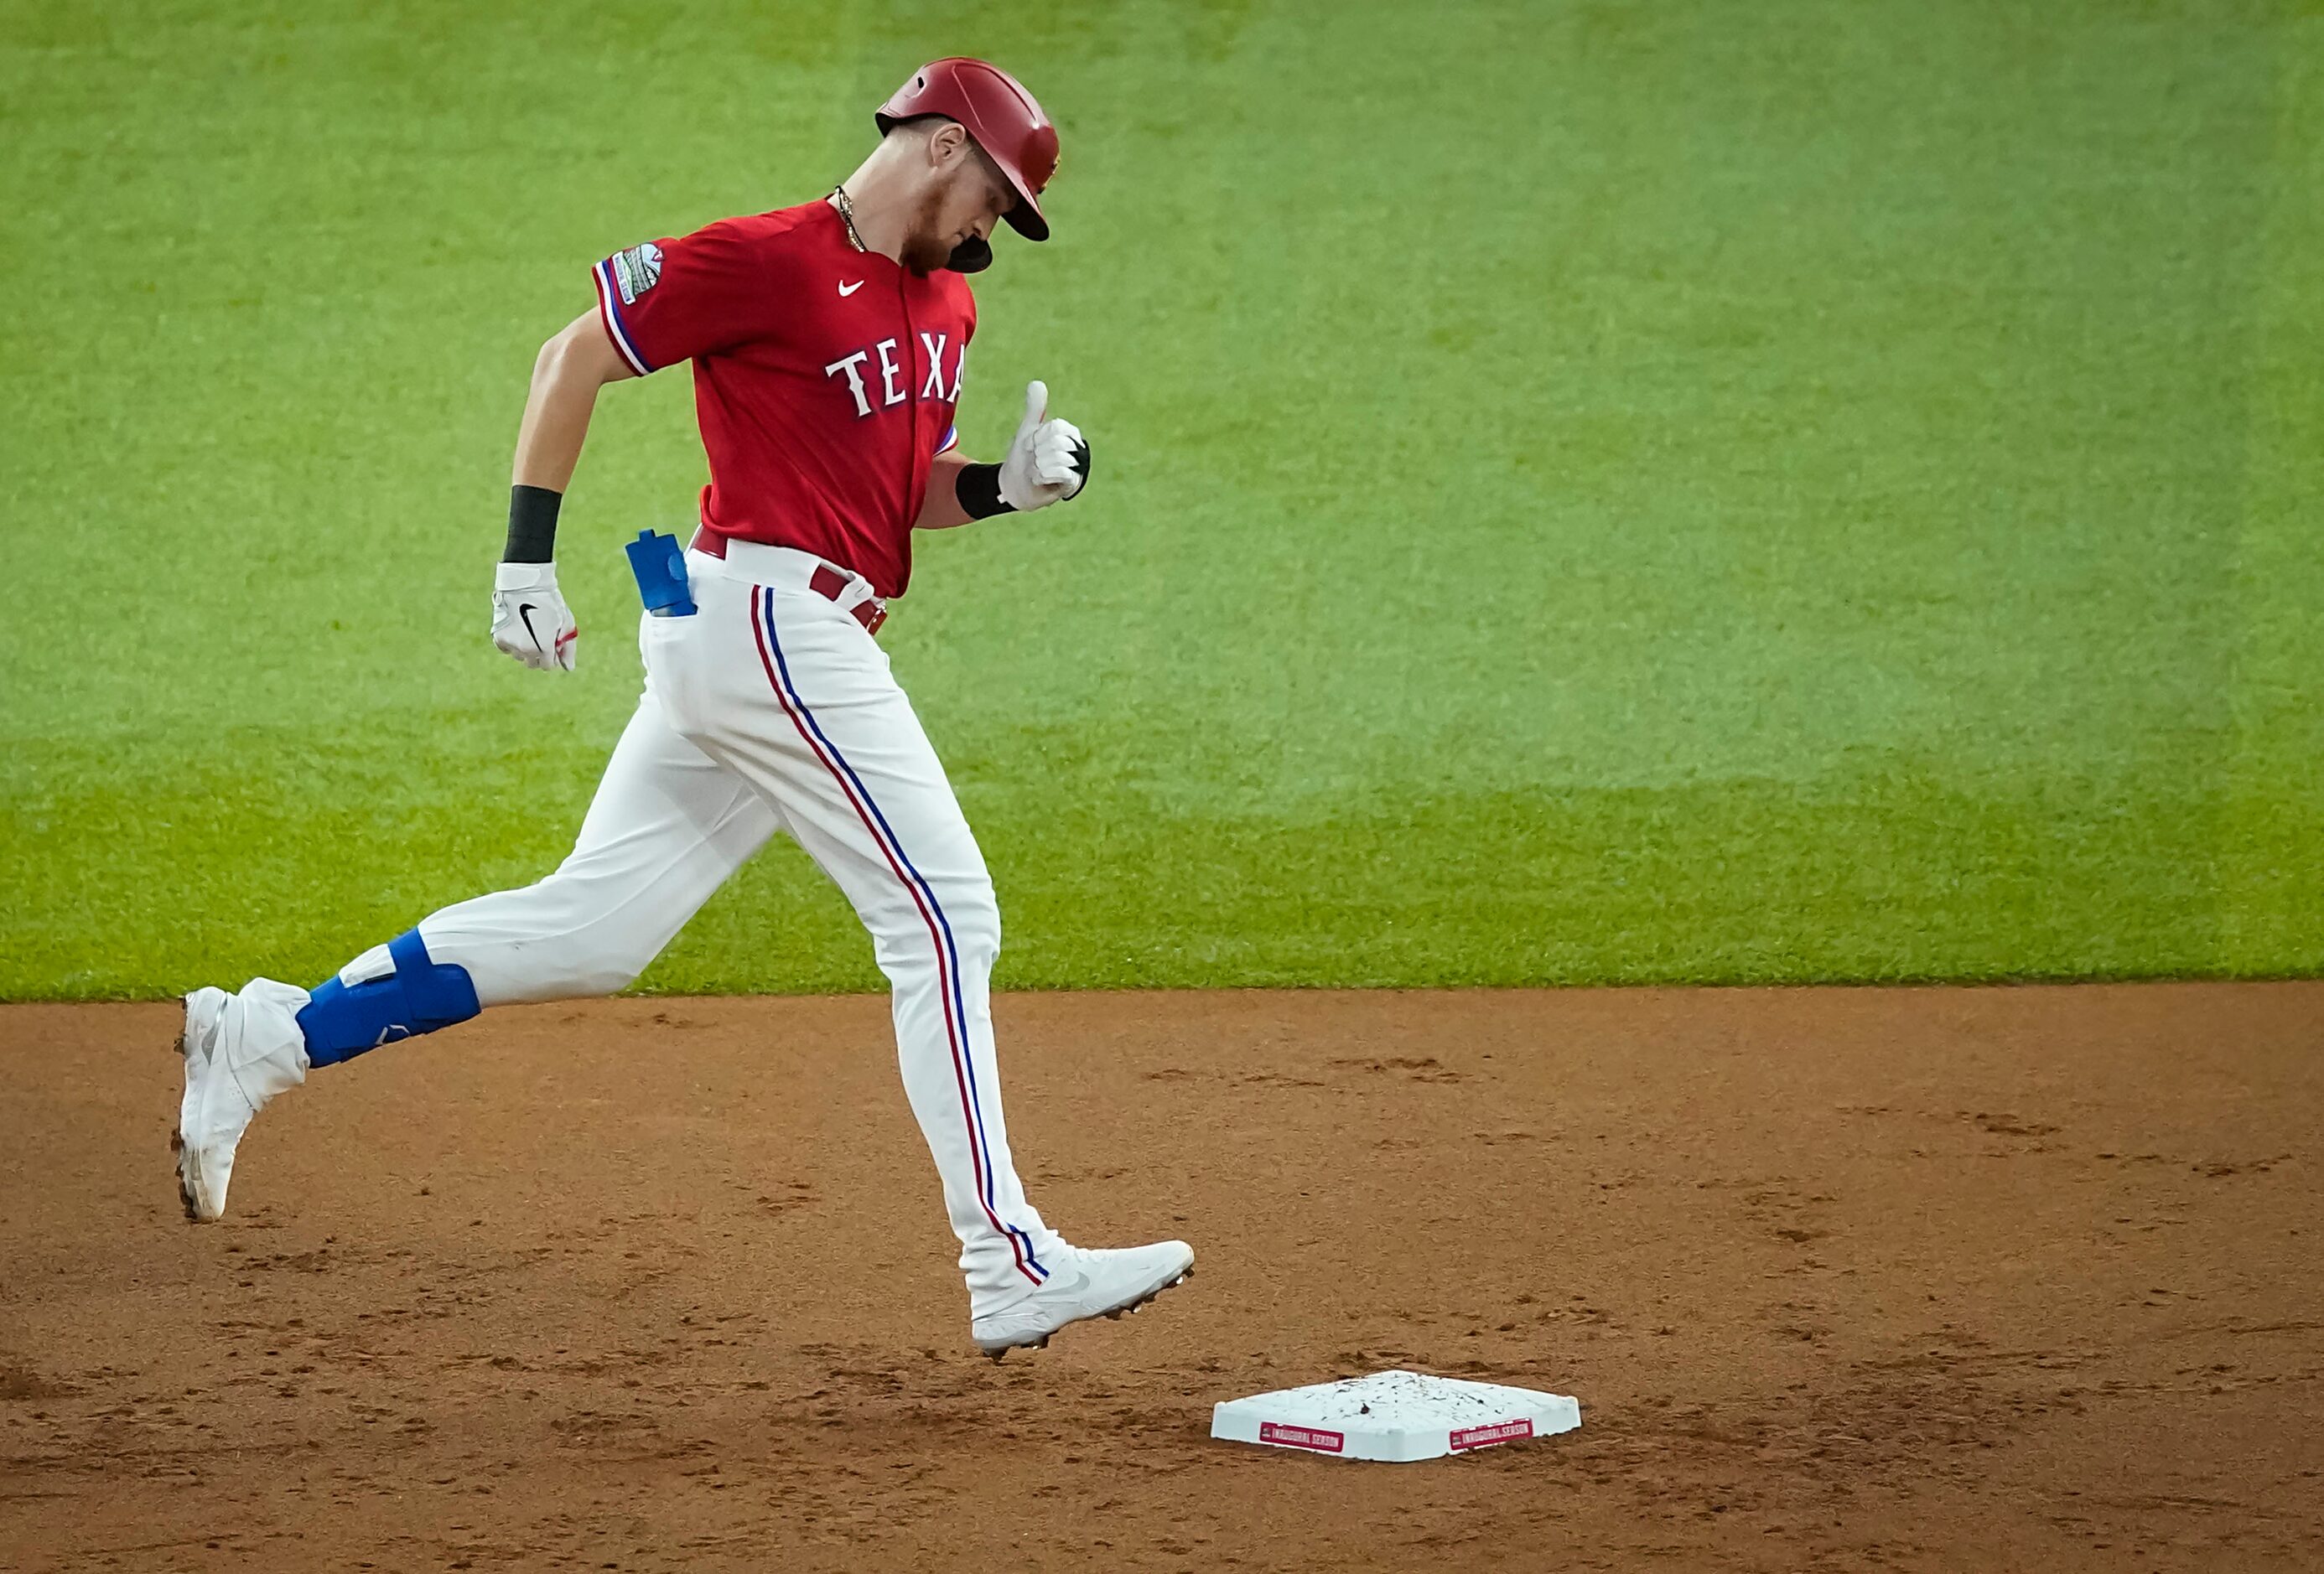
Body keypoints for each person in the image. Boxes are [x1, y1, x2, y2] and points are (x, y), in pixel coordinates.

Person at [171, 58, 1194, 1359]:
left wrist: (1007, 486)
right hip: (762, 623)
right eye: (995, 199)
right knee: (946, 917)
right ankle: (1007, 1259)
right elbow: (571, 355)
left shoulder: (949, 311)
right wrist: (524, 562)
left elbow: (900, 494)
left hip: (786, 636)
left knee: (596, 927)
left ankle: (262, 1035)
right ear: (942, 148)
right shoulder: (764, 259)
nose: (994, 232)